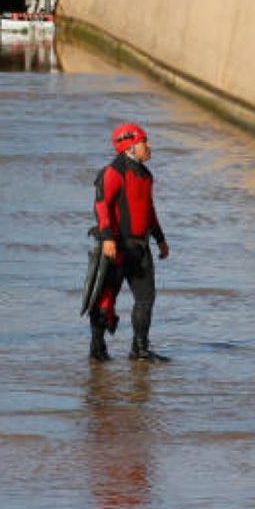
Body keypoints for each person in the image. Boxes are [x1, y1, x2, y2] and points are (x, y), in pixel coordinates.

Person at [87, 122, 170, 362]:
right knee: (105, 299)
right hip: (116, 247)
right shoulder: (113, 172)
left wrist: (160, 239)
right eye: (145, 141)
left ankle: (140, 350)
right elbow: (101, 205)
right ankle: (97, 349)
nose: (150, 145)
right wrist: (107, 239)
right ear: (130, 147)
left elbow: (149, 210)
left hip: (141, 248)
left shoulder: (146, 175)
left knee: (146, 299)